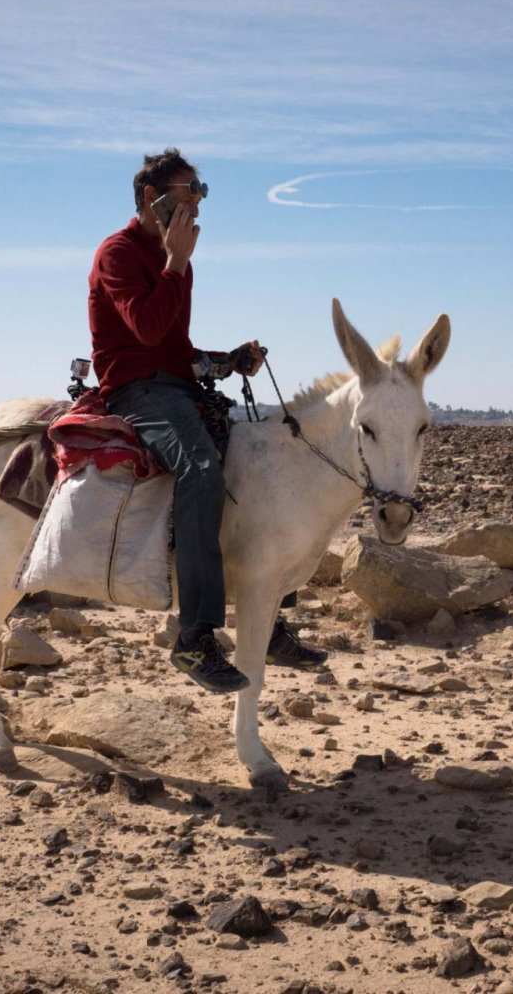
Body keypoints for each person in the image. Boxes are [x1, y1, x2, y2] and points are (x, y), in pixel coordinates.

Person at [88, 149, 326, 693]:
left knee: (256, 460)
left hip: (170, 383)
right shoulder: (118, 254)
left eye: (200, 192)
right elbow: (146, 334)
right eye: (186, 193)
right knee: (199, 469)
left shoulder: (181, 263)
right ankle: (194, 637)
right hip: (134, 390)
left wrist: (227, 361)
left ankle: (267, 618)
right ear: (153, 198)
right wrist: (173, 263)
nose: (195, 205)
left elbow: (176, 350)